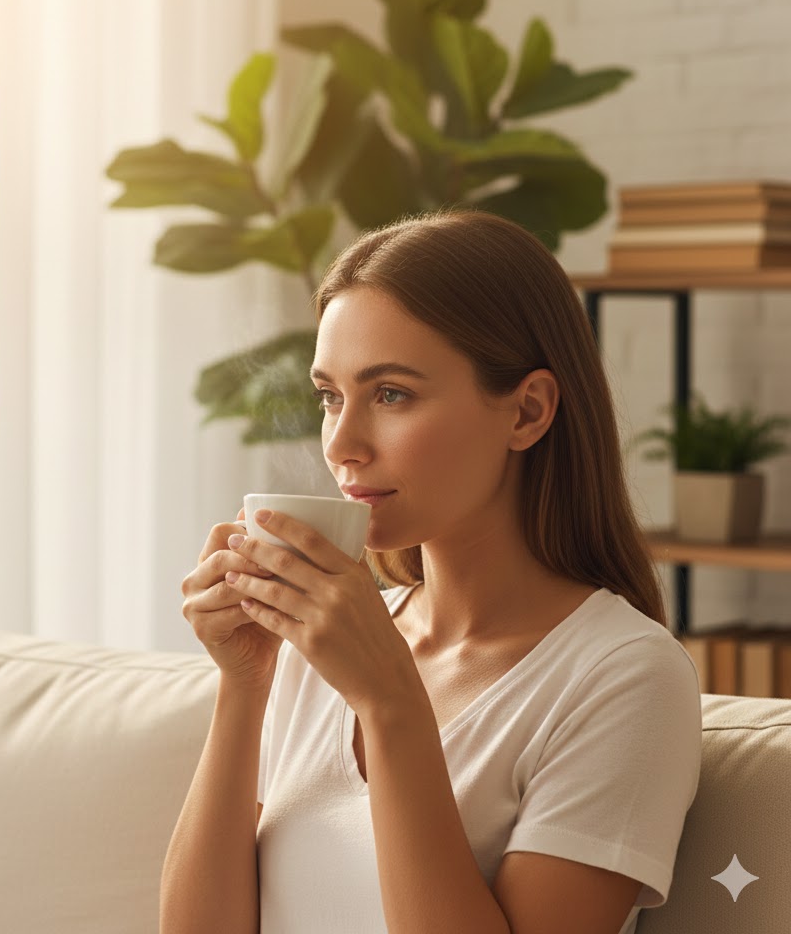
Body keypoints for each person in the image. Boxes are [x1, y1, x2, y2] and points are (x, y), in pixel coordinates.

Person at [161, 209, 702, 934]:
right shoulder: (325, 641)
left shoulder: (625, 677)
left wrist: (389, 703)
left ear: (527, 412)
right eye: (330, 397)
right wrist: (246, 681)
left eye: (392, 394)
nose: (343, 444)